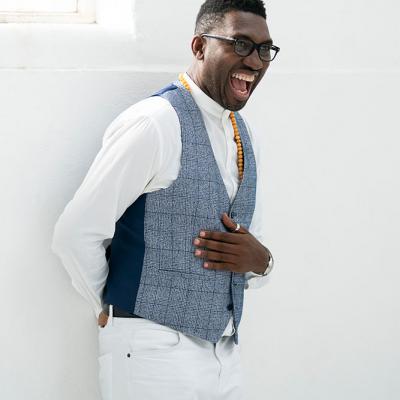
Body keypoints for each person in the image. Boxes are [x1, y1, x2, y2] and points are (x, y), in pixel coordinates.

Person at [51, 0, 279, 399]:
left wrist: (264, 263)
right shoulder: (156, 122)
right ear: (199, 46)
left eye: (264, 49)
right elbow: (75, 232)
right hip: (151, 351)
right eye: (240, 44)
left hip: (225, 353)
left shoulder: (246, 134)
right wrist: (109, 310)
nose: (256, 61)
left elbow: (248, 253)